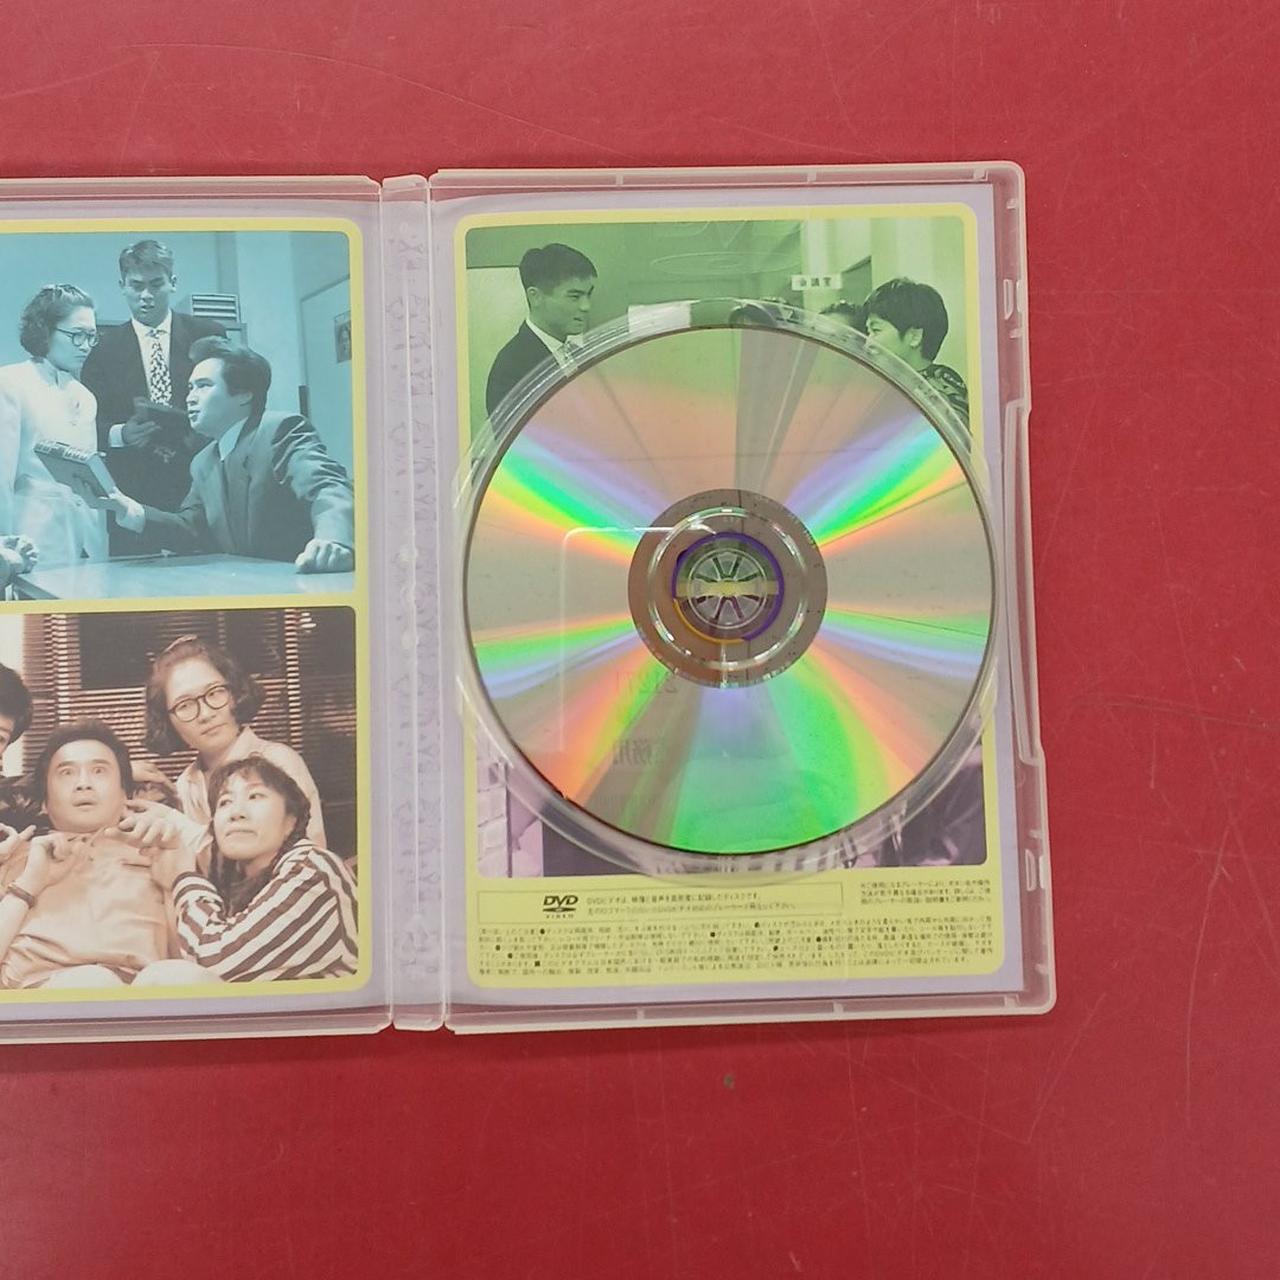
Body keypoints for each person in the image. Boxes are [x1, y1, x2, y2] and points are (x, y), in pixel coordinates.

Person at [89, 337, 354, 572]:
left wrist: (333, 539)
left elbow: (328, 487)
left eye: (203, 386)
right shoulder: (203, 461)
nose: (190, 398)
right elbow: (191, 529)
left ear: (244, 394)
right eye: (190, 388)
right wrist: (130, 510)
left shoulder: (280, 431)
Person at [145, 755, 357, 981]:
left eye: (255, 796)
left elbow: (216, 962)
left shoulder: (313, 870)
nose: (236, 812)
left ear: (291, 821)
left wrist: (184, 878)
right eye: (225, 802)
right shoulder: (236, 886)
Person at [80, 239, 226, 554]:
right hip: (134, 491)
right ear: (122, 286)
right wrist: (121, 434)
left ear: (173, 282)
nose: (146, 295)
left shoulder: (208, 335)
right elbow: (86, 425)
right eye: (136, 286)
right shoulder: (103, 351)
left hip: (200, 483)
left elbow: (232, 402)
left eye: (156, 284)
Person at [0, 722, 172, 989]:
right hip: (35, 1000)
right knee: (93, 982)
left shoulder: (161, 853)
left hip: (146, 999)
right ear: (44, 802)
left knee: (179, 976)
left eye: (99, 771)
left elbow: (195, 959)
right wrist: (27, 886)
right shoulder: (13, 855)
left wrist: (174, 875)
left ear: (125, 794)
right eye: (66, 773)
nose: (83, 784)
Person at [142, 634, 327, 851]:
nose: (206, 714)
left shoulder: (278, 761)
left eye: (214, 693)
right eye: (185, 705)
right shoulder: (185, 786)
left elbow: (310, 855)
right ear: (167, 721)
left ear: (235, 693)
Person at [0, 285, 108, 566]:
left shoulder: (86, 397)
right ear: (44, 330)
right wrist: (4, 548)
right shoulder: (10, 383)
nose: (85, 345)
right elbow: (2, 479)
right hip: (33, 542)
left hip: (89, 543)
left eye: (92, 336)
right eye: (77, 335)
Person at [485, 243, 596, 417]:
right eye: (575, 296)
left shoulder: (579, 354)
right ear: (535, 297)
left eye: (588, 295)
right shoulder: (510, 368)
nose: (586, 306)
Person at [861, 277, 970, 424]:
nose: (868, 343)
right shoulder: (884, 384)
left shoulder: (940, 390)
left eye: (876, 330)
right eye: (868, 332)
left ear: (914, 337)